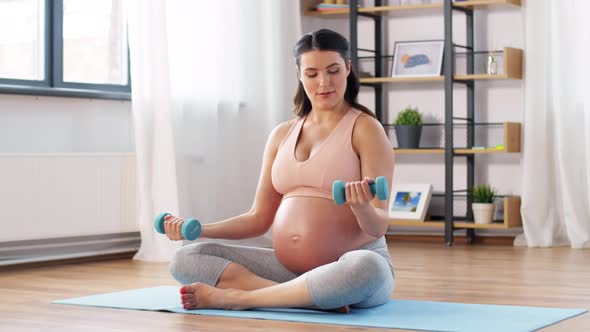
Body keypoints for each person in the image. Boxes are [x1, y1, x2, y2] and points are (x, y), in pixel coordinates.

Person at [164, 28, 395, 312]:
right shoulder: (281, 135)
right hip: (287, 269)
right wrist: (197, 229)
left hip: (349, 264)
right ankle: (306, 298)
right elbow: (258, 219)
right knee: (187, 258)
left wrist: (362, 207)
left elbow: (379, 224)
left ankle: (241, 298)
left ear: (348, 68)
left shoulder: (365, 128)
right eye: (312, 74)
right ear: (299, 74)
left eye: (333, 70)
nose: (324, 82)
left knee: (366, 269)